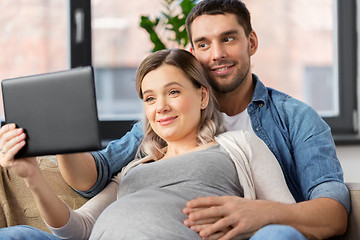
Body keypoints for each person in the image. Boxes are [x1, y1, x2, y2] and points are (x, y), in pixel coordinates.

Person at [0, 1, 350, 239]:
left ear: (251, 42)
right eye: (150, 98)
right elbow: (91, 184)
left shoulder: (280, 127)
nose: (217, 54)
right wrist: (54, 144)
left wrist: (259, 213)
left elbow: (329, 213)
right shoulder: (147, 146)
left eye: (228, 38)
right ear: (193, 52)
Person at [0, 49, 295, 239]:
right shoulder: (133, 168)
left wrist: (247, 216)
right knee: (16, 236)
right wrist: (32, 177)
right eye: (150, 98)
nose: (161, 107)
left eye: (174, 92)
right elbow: (77, 229)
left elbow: (288, 217)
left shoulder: (240, 145)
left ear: (203, 97)